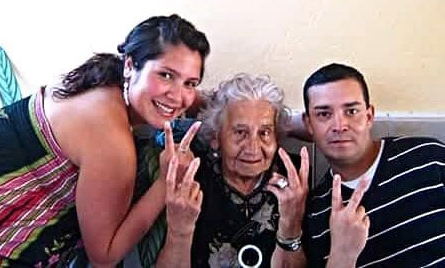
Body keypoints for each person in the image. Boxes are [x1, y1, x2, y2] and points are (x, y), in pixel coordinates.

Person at [0, 14, 210, 267]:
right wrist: (164, 182)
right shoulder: (112, 142)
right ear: (130, 65)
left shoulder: (101, 78)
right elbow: (103, 255)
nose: (178, 96)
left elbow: (177, 96)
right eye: (166, 75)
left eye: (190, 83)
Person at [155, 73, 310, 268]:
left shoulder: (297, 182)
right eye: (240, 133)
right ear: (215, 138)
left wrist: (291, 225)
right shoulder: (193, 182)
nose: (253, 148)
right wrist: (179, 232)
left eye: (264, 133)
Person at [301, 63, 445, 267]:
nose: (339, 126)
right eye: (324, 114)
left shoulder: (428, 157)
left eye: (351, 111)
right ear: (308, 124)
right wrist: (342, 253)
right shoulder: (315, 214)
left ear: (369, 116)